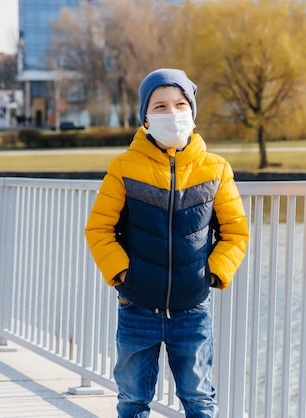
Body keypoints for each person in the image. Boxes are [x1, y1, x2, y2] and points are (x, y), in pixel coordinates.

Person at [85, 68, 249, 417]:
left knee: (200, 400)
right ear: (145, 116)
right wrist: (123, 274)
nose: (171, 113)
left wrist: (213, 274)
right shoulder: (123, 167)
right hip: (137, 306)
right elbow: (99, 229)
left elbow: (235, 231)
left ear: (192, 110)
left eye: (179, 104)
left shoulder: (216, 169)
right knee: (132, 399)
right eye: (159, 106)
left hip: (192, 309)